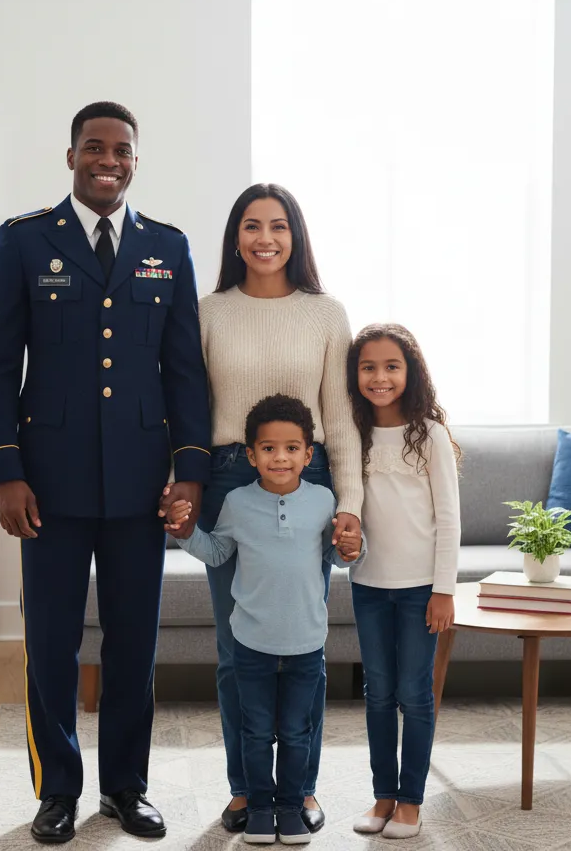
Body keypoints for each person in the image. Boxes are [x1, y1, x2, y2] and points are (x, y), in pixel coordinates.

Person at [0, 101, 211, 844]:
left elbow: (184, 369)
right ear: (71, 155)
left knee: (133, 645)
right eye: (95, 147)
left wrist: (190, 471)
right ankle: (57, 792)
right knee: (51, 644)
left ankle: (125, 789)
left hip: (141, 484)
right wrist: (5, 470)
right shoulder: (24, 241)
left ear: (136, 161)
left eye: (122, 150)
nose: (108, 160)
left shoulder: (166, 246)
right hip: (48, 484)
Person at [158, 183, 363, 834]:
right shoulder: (209, 311)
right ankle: (245, 790)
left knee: (304, 646)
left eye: (278, 226)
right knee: (235, 648)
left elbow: (341, 419)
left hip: (310, 480)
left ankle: (301, 791)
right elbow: (187, 408)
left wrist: (351, 504)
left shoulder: (326, 314)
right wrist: (184, 483)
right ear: (235, 237)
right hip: (225, 478)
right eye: (252, 226)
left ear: (295, 236)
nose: (265, 238)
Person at [166, 394, 364, 845]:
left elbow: (336, 556)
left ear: (309, 455)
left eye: (292, 448)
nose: (280, 458)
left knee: (296, 732)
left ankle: (292, 808)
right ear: (252, 456)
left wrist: (355, 548)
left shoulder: (324, 500)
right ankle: (257, 808)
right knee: (255, 732)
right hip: (250, 644)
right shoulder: (237, 502)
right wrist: (185, 533)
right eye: (269, 448)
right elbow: (218, 551)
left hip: (306, 645)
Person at [344, 323, 460, 840]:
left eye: (392, 366)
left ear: (411, 372)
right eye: (368, 367)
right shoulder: (351, 432)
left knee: (414, 694)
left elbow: (449, 518)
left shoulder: (428, 434)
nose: (380, 377)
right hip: (368, 584)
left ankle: (411, 801)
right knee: (377, 694)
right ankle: (383, 795)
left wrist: (444, 589)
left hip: (421, 589)